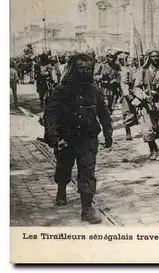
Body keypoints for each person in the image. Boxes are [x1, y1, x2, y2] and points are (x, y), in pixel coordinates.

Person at [43, 53, 113, 224]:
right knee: (64, 167)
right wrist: (55, 137)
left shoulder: (94, 91)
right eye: (80, 68)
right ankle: (61, 190)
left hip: (88, 139)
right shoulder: (61, 91)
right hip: (66, 139)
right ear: (73, 69)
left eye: (88, 69)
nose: (84, 72)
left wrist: (108, 133)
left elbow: (104, 113)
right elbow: (50, 115)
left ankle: (87, 209)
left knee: (87, 172)